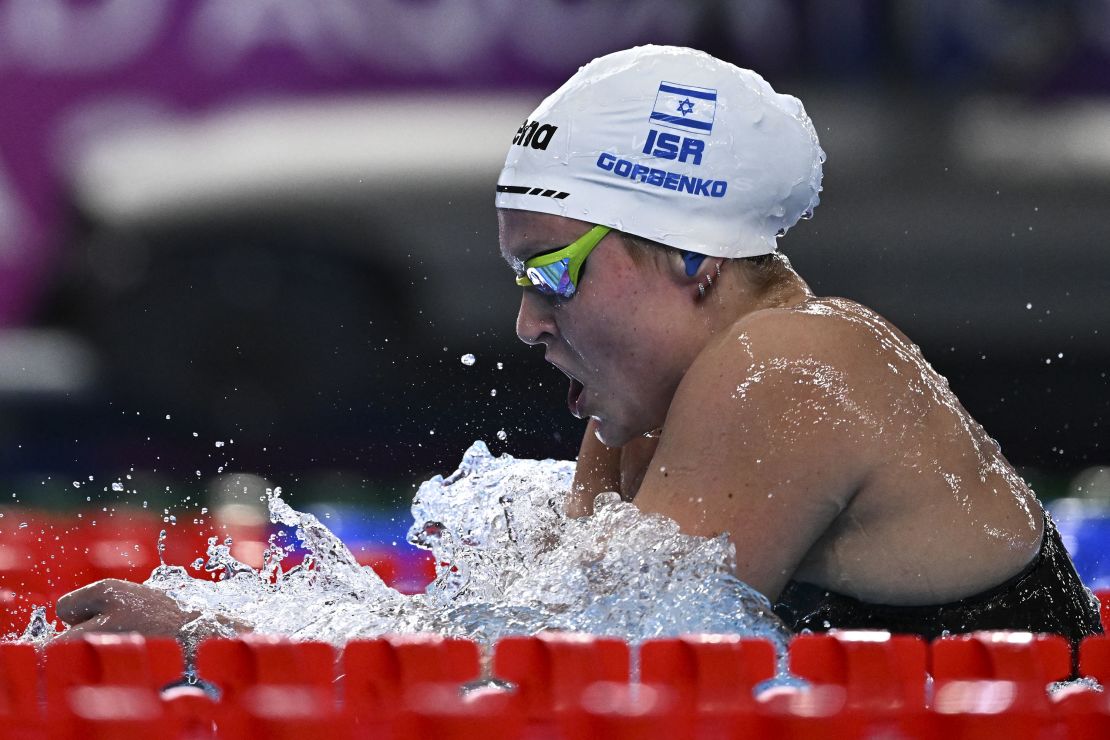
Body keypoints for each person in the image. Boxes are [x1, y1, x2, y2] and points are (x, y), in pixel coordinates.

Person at [60, 45, 1101, 645]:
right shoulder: (644, 414)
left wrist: (229, 639)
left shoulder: (788, 364)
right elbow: (508, 630)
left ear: (692, 257)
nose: (528, 321)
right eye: (520, 278)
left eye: (554, 271)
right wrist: (241, 631)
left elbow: (587, 647)